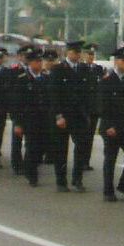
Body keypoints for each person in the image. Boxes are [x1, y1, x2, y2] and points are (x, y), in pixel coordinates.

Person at [47, 40, 94, 192]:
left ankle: (77, 179)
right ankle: (61, 181)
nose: (77, 55)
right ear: (68, 53)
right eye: (74, 52)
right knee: (61, 150)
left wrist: (87, 113)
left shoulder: (84, 69)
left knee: (81, 148)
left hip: (79, 116)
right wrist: (58, 115)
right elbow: (54, 95)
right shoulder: (58, 69)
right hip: (63, 115)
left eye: (79, 52)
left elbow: (88, 93)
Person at [98, 46, 124, 202]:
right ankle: (108, 191)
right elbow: (102, 106)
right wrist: (109, 125)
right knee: (110, 159)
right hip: (111, 127)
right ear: (116, 61)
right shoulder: (107, 81)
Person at [11, 49, 50, 187]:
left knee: (41, 147)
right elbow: (17, 103)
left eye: (40, 61)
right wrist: (17, 123)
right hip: (28, 119)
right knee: (32, 146)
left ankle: (30, 167)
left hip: (43, 119)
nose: (39, 64)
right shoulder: (23, 79)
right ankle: (31, 174)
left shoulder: (44, 78)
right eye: (36, 61)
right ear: (30, 62)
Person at [80, 43, 105, 172]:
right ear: (83, 55)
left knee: (90, 136)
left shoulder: (98, 69)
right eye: (89, 54)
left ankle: (86, 161)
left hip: (94, 109)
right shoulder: (80, 68)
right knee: (82, 136)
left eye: (92, 54)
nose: (91, 57)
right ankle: (80, 161)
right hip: (83, 109)